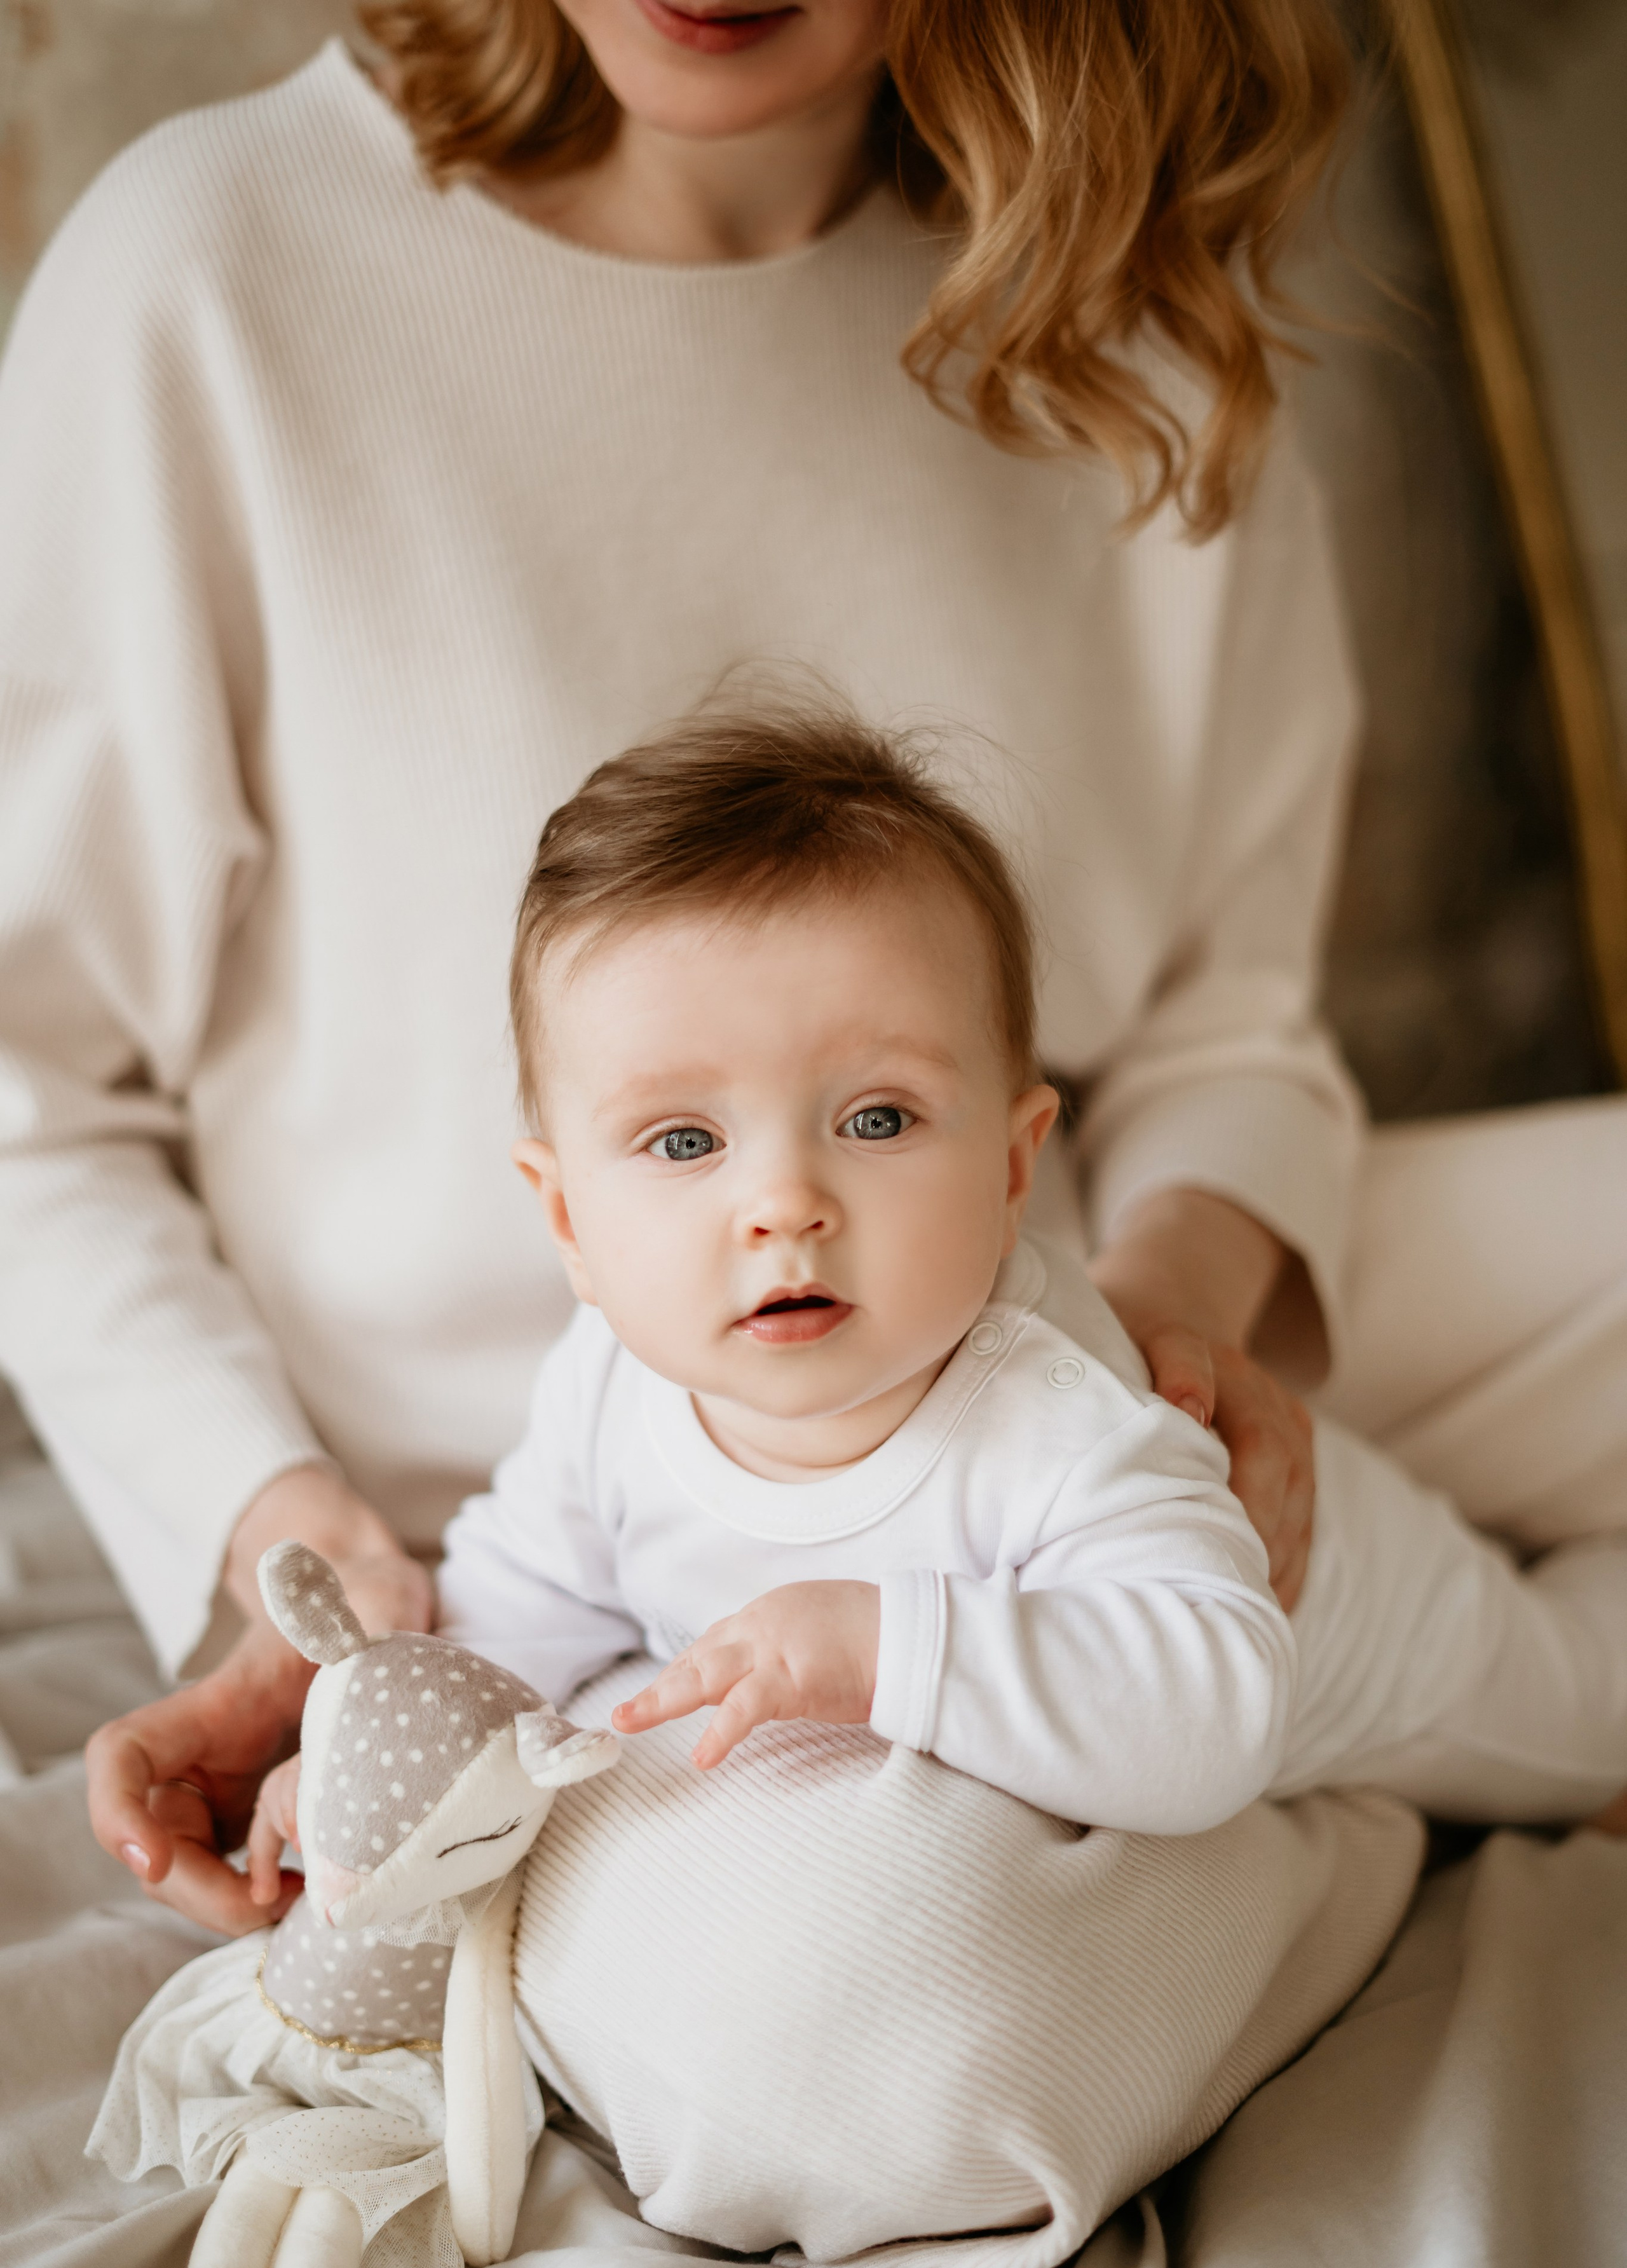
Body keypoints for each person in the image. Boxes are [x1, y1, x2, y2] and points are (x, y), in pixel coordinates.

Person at [0, 0, 1619, 1932]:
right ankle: (1309, 1793)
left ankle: (1277, 1725)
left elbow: (1225, 1011)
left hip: (1035, 1337)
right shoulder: (213, 272)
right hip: (577, 1529)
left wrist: (1164, 1335)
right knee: (894, 1977)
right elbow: (35, 1090)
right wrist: (286, 1533)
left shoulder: (1124, 290)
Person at [405, 710, 1627, 1836]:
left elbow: (1215, 1717)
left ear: (1011, 1166)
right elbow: (520, 1596)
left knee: (1588, 1709)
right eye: (686, 1143)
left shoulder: (1057, 1414)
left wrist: (887, 1652)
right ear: (566, 1218)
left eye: (877, 1120)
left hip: (1401, 1652)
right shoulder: (607, 1388)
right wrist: (381, 1749)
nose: (784, 1205)